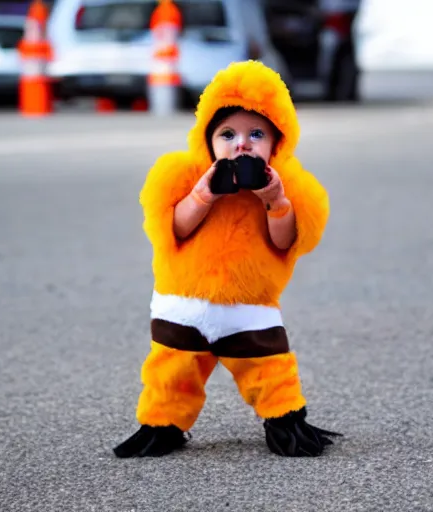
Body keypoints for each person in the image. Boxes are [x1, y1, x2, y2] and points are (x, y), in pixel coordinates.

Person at [113, 60, 341, 458]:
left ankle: (285, 422)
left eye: (256, 134)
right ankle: (161, 424)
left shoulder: (286, 190)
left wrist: (275, 202)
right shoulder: (187, 179)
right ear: (207, 140)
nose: (242, 144)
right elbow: (175, 230)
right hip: (184, 306)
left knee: (270, 372)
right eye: (227, 134)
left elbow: (285, 242)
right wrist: (203, 195)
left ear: (277, 143)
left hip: (248, 309)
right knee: (171, 372)